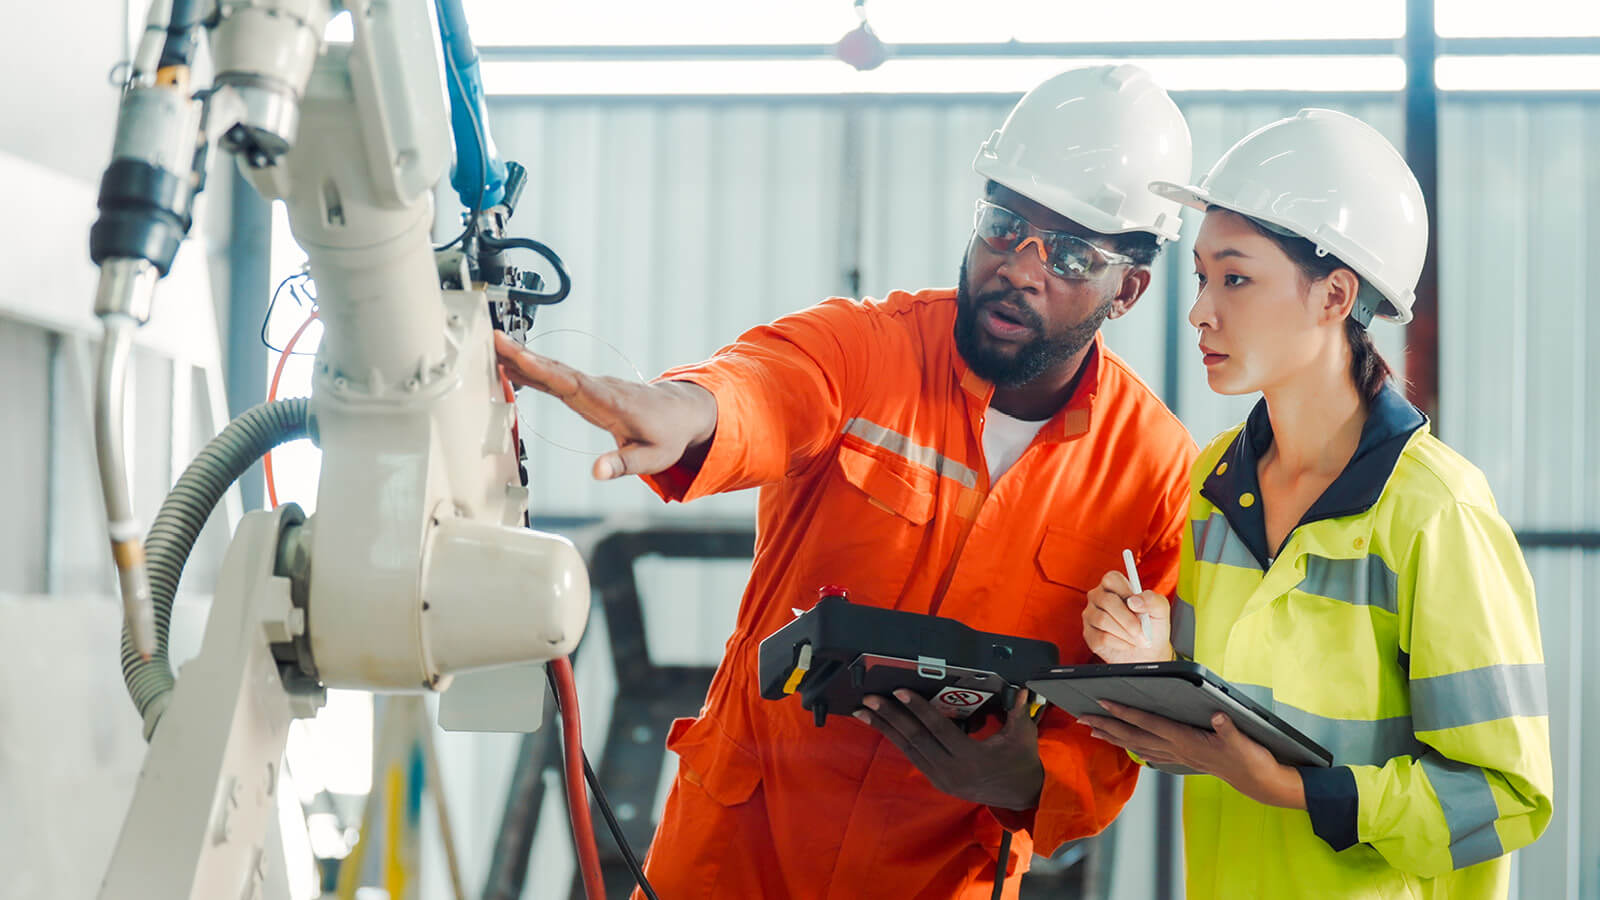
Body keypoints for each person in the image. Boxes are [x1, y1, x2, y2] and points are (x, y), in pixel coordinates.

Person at [497, 64, 1198, 899]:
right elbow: (769, 386)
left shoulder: (1152, 475)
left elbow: (1126, 715)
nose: (1019, 267)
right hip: (734, 859)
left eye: (1072, 254)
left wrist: (1026, 781)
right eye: (1004, 225)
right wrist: (682, 410)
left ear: (1130, 288)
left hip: (937, 877)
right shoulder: (873, 350)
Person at [1079, 109, 1553, 899]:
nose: (1201, 310)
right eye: (1202, 277)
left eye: (1236, 277)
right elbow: (1215, 738)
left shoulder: (1437, 512)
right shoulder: (1213, 486)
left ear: (1335, 294)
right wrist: (1155, 665)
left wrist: (1292, 790)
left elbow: (1508, 798)